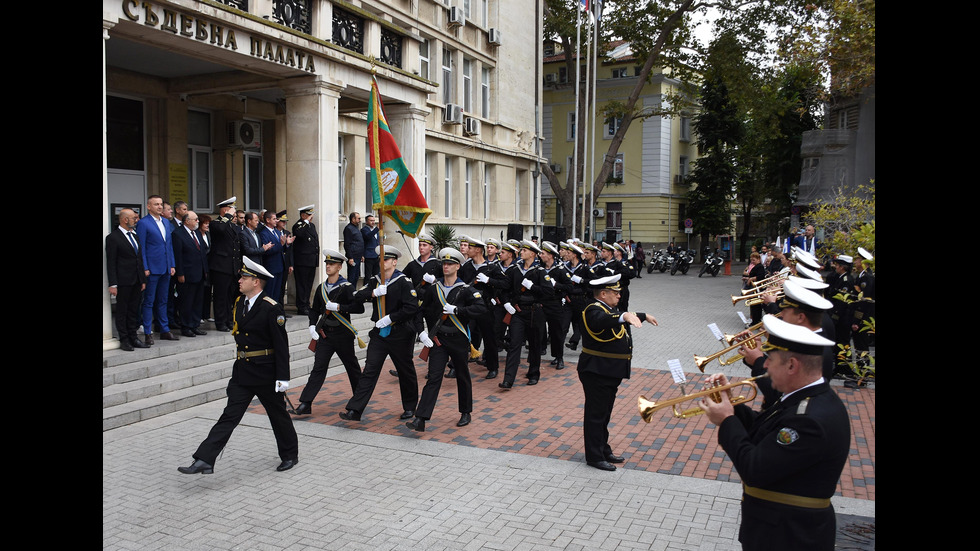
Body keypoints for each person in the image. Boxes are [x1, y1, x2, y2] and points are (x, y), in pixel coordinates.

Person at [700, 315, 849, 551]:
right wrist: (732, 405)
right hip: (778, 529)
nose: (764, 365)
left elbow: (754, 469)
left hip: (789, 536)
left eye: (770, 359)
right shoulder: (802, 398)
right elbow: (765, 428)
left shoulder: (808, 418)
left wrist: (727, 421)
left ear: (792, 365)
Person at [178, 257, 298, 474]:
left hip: (265, 372)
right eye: (241, 276)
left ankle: (290, 455)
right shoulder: (240, 303)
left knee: (278, 416)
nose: (240, 280)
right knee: (229, 415)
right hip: (243, 372)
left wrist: (283, 378)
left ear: (257, 282)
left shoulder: (271, 308)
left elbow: (282, 346)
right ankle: (205, 459)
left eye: (245, 277)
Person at [577, 274, 658, 471]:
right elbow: (604, 320)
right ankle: (594, 456)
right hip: (597, 371)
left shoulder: (607, 308)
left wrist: (642, 315)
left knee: (604, 414)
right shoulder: (593, 309)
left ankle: (603, 449)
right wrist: (625, 316)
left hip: (608, 371)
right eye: (615, 292)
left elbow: (618, 316)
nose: (619, 295)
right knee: (596, 415)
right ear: (603, 294)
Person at [408, 248, 487, 432]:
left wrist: (459, 311)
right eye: (444, 263)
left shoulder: (466, 290)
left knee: (462, 376)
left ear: (458, 266)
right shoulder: (434, 289)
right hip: (439, 340)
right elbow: (419, 311)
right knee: (434, 378)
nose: (446, 266)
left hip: (458, 339)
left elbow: (481, 309)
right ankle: (421, 418)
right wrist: (421, 333)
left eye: (450, 264)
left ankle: (465, 412)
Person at [339, 245, 420, 421]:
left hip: (400, 333)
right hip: (380, 334)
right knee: (370, 370)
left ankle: (410, 407)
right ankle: (355, 410)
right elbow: (358, 296)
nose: (382, 262)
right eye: (381, 259)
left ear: (394, 262)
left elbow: (412, 307)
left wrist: (391, 317)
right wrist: (374, 293)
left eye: (386, 259)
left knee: (405, 371)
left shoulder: (403, 281)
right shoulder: (376, 280)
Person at [293, 249, 365, 415]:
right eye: (327, 263)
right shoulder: (321, 288)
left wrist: (340, 307)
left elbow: (359, 308)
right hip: (325, 334)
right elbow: (314, 310)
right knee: (318, 368)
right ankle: (305, 403)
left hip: (342, 334)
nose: (328, 267)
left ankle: (359, 401)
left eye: (332, 264)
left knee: (352, 368)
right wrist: (312, 325)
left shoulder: (347, 287)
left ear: (339, 267)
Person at [499, 240, 554, 389]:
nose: (521, 252)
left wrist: (533, 287)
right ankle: (508, 379)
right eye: (521, 250)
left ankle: (534, 373)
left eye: (524, 250)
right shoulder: (515, 270)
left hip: (535, 312)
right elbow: (504, 288)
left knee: (535, 344)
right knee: (514, 344)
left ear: (532, 254)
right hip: (518, 312)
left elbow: (549, 292)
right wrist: (506, 303)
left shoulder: (540, 271)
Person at [136, 195, 178, 344]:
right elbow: (141, 248)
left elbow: (169, 245)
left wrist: (172, 264)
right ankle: (148, 332)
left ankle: (165, 329)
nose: (159, 207)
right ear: (148, 206)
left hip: (165, 267)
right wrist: (145, 267)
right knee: (149, 301)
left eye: (161, 204)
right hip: (152, 268)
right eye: (156, 204)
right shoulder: (143, 223)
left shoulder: (166, 222)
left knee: (163, 300)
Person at [106, 208, 147, 351]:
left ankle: (133, 336)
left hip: (136, 280)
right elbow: (111, 262)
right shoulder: (113, 237)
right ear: (125, 220)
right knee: (122, 311)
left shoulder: (134, 236)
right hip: (123, 281)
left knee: (133, 310)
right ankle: (124, 339)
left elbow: (139, 259)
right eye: (133, 218)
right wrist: (113, 284)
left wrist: (142, 280)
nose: (136, 220)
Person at [172, 211, 209, 337]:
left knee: (197, 301)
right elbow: (178, 256)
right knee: (186, 301)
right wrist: (180, 273)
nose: (198, 221)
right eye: (195, 219)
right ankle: (186, 326)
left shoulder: (197, 233)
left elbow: (202, 253)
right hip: (187, 274)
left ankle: (195, 324)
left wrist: (205, 271)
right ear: (187, 221)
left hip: (199, 273)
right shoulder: (178, 234)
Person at [208, 197, 242, 332]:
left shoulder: (231, 225)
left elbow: (236, 246)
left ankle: (228, 320)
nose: (233, 214)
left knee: (229, 296)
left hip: (232, 267)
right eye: (230, 209)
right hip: (220, 267)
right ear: (224, 209)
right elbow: (220, 230)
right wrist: (227, 215)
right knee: (220, 296)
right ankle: (220, 321)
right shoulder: (216, 223)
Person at [291, 205, 320, 316]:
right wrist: (305, 222)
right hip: (302, 261)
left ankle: (307, 304)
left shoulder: (311, 226)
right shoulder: (298, 225)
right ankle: (301, 306)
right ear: (303, 215)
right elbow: (299, 234)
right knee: (302, 285)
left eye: (311, 215)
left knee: (308, 284)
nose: (311, 217)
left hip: (311, 261)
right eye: (308, 215)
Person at [343, 212, 364, 283]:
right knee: (352, 277)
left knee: (356, 277)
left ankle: (354, 292)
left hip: (358, 256)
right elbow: (347, 244)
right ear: (353, 219)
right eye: (358, 218)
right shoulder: (348, 228)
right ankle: (350, 293)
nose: (360, 220)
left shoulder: (356, 228)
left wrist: (361, 255)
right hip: (353, 257)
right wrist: (350, 257)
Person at [361, 214, 380, 281]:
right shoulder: (364, 229)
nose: (373, 222)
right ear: (366, 222)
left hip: (376, 255)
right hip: (369, 255)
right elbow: (368, 236)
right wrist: (376, 229)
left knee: (376, 275)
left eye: (374, 220)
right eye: (371, 220)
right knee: (368, 275)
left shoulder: (376, 230)